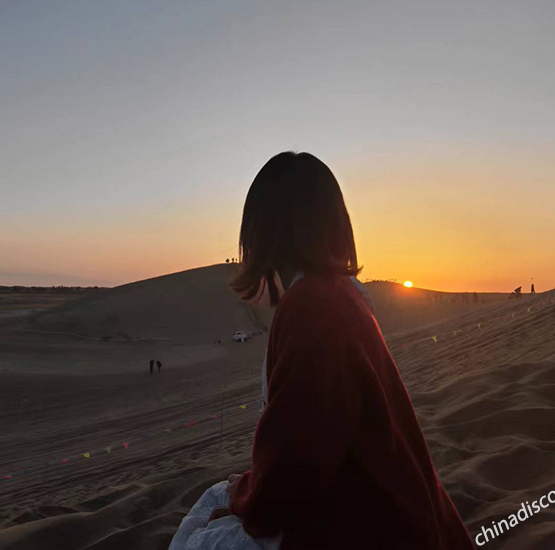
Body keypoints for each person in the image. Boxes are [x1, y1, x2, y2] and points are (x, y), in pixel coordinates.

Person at [169, 152, 472, 550]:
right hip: (389, 514)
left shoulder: (312, 309)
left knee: (196, 531)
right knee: (215, 499)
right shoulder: (344, 295)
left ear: (263, 232)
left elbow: (293, 474)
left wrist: (247, 500)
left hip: (368, 527)